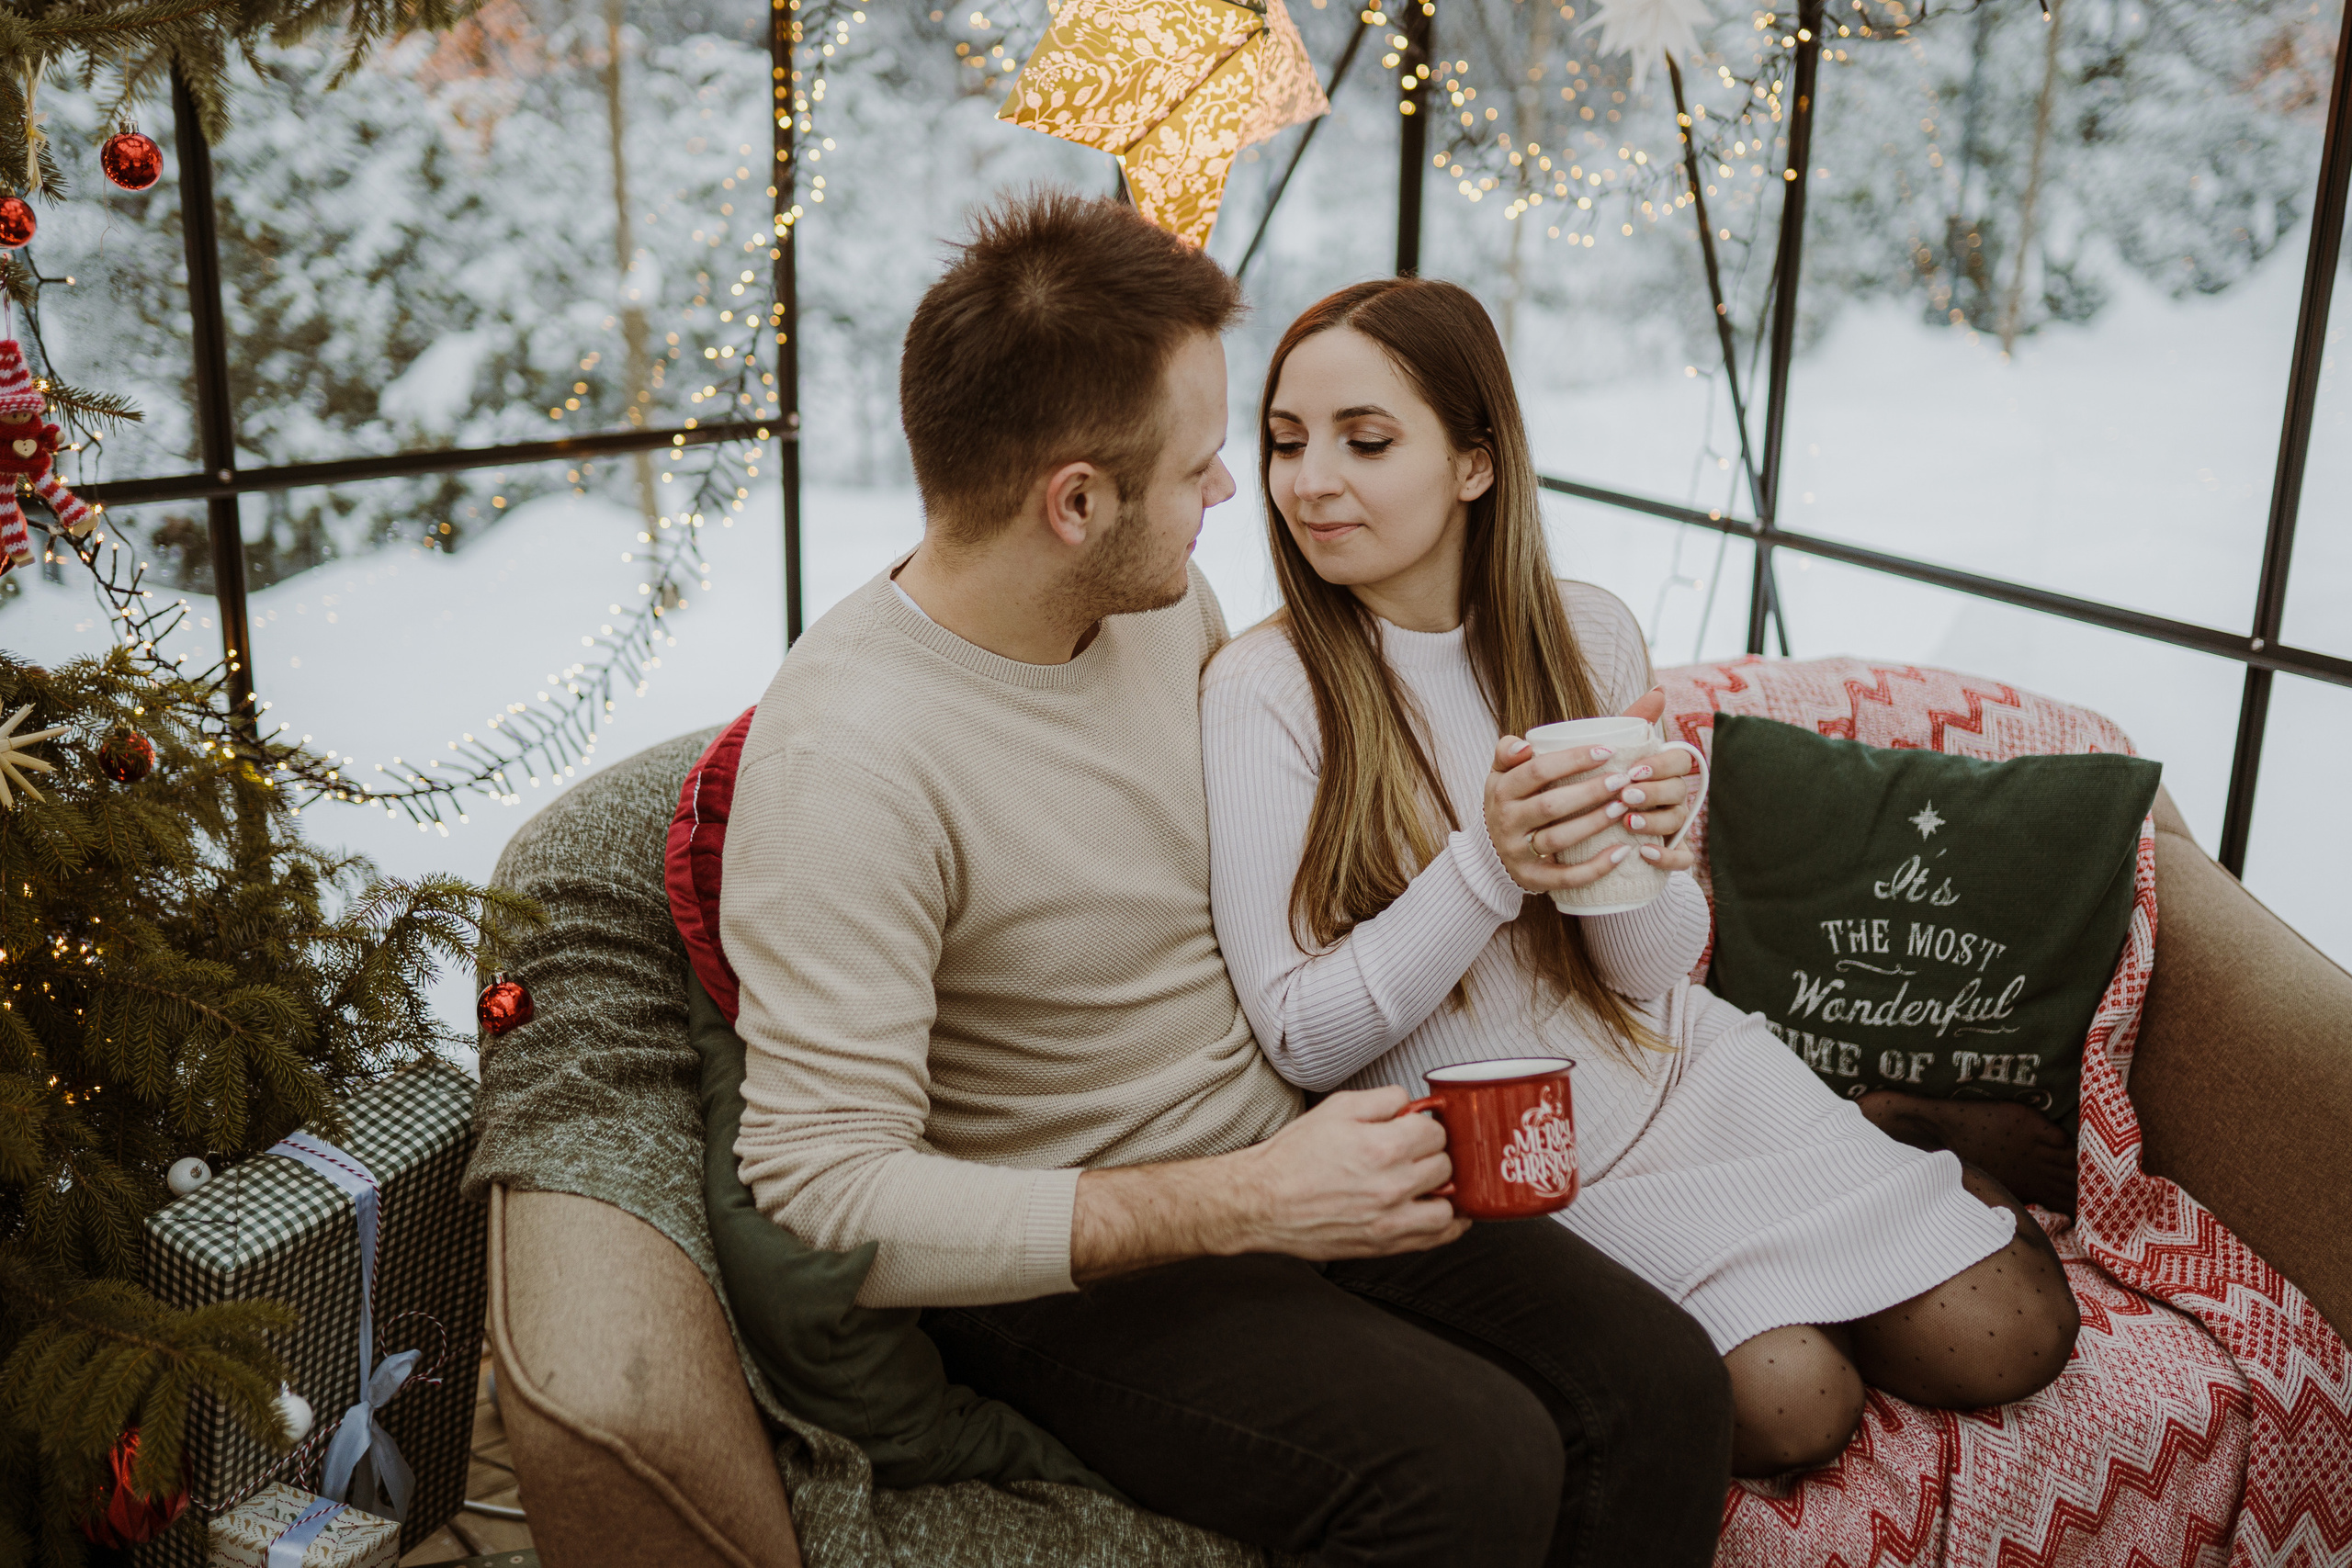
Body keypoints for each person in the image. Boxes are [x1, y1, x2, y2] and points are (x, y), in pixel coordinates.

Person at [720, 192, 1733, 1566]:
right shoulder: (847, 759)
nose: (1232, 494)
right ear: (1075, 502)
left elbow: (1305, 838)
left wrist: (1593, 832)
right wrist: (1237, 1204)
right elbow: (822, 1196)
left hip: (1294, 1144)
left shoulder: (1156, 611)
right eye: (1205, 463)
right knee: (1471, 1465)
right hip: (1081, 1256)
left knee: (1665, 1382)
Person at [1201, 276, 2081, 1480]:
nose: (1307, 481)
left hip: (1681, 1076)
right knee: (1791, 1409)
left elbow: (1652, 966)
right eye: (1286, 442)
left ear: (1475, 463)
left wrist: (1659, 856)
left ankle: (1901, 1148)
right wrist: (1488, 865)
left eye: (1365, 441)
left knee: (2015, 1334)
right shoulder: (1267, 694)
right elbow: (1302, 1040)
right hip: (1516, 1167)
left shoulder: (1588, 635)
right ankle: (1866, 1181)